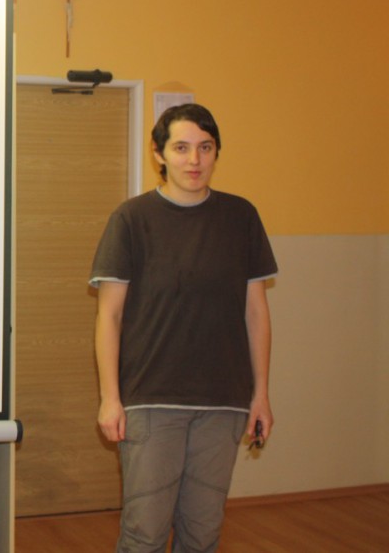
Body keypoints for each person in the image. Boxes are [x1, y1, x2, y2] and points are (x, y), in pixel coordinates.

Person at [89, 103, 277, 552]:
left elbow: (256, 313)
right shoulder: (131, 219)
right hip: (151, 401)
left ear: (216, 153)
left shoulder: (241, 217)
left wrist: (261, 395)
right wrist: (111, 399)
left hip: (223, 403)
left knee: (203, 533)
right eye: (181, 148)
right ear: (159, 154)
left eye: (205, 148)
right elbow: (109, 316)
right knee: (145, 533)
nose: (194, 160)